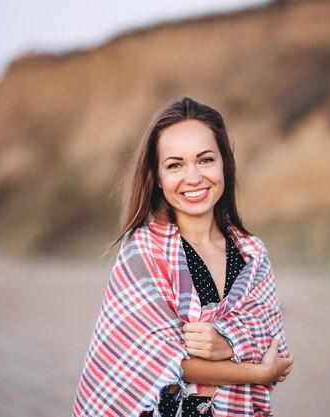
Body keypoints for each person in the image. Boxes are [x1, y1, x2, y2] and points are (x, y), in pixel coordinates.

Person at [72, 97, 292, 417]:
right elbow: (162, 362)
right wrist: (257, 373)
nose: (193, 177)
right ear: (159, 177)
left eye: (205, 160)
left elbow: (276, 346)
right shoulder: (144, 253)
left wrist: (228, 344)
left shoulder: (252, 253)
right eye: (175, 165)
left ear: (224, 164)